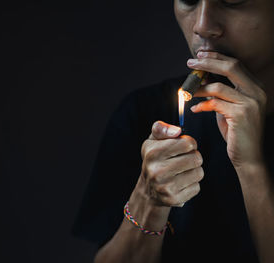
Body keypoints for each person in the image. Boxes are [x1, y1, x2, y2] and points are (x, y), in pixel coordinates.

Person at [71, 0, 274, 262]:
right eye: (188, 0)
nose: (202, 26)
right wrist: (148, 200)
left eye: (232, 1)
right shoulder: (142, 112)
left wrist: (251, 168)